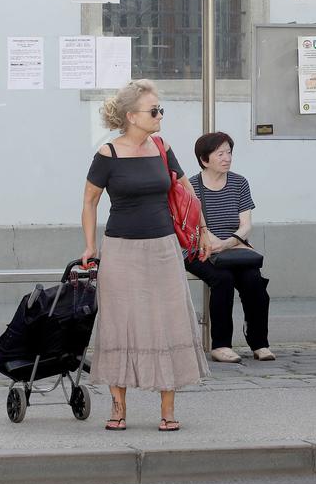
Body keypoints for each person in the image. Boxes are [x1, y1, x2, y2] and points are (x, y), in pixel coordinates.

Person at [81, 79, 212, 432]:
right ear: (131, 116)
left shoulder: (161, 147)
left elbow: (187, 193)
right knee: (120, 325)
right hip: (122, 248)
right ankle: (118, 408)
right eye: (153, 111)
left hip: (163, 248)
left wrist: (202, 231)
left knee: (168, 322)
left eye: (160, 110)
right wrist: (90, 246)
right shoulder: (107, 155)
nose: (159, 116)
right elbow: (90, 201)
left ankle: (168, 410)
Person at [187, 132, 274, 363]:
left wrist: (228, 243)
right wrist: (214, 243)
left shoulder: (239, 182)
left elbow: (246, 225)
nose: (227, 158)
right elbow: (193, 227)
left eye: (229, 153)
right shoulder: (191, 186)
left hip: (233, 248)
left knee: (253, 281)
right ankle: (221, 345)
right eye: (220, 154)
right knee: (222, 279)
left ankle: (259, 343)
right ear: (204, 160)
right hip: (201, 249)